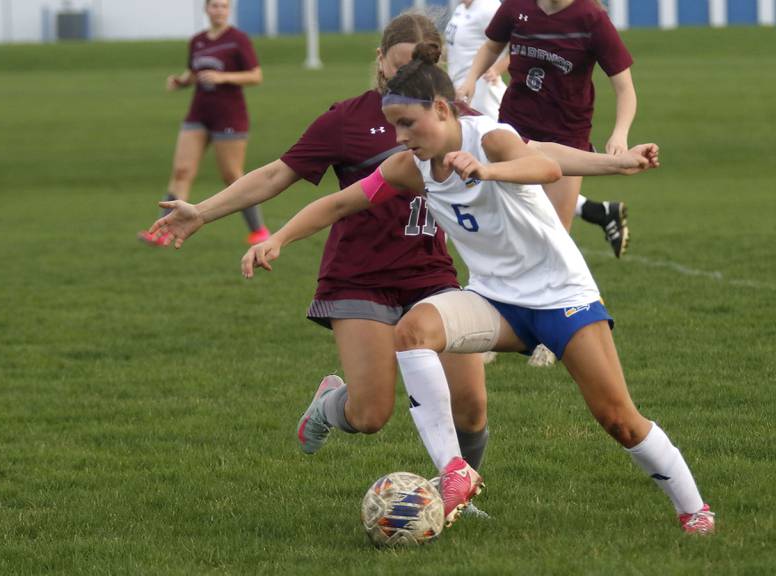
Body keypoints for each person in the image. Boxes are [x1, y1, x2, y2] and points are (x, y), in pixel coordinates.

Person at [239, 43, 715, 535]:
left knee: (619, 419)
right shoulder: (412, 165)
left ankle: (694, 509)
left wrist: (490, 171)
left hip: (561, 298)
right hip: (494, 300)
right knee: (413, 331)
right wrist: (277, 238)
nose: (401, 138)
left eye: (408, 124)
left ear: (441, 109)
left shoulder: (489, 138)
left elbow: (546, 168)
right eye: (395, 126)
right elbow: (339, 204)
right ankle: (454, 473)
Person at [145, 13, 493, 517]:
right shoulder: (348, 119)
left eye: (415, 72)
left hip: (431, 276)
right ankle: (330, 403)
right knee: (371, 413)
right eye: (395, 70)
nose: (403, 83)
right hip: (360, 279)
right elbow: (273, 175)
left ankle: (456, 499)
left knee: (472, 405)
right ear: (378, 61)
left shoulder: (460, 120)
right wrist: (202, 211)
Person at [457, 0, 637, 259]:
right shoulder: (516, 7)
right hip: (515, 130)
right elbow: (490, 46)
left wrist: (620, 133)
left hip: (567, 137)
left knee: (555, 239)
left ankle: (569, 297)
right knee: (510, 231)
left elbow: (625, 88)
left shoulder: (592, 19)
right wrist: (470, 79)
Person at [138, 0, 270, 247]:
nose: (219, 10)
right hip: (198, 114)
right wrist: (180, 81)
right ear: (206, 9)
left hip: (229, 116)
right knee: (181, 172)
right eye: (214, 6)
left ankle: (259, 231)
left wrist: (223, 77)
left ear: (228, 10)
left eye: (223, 6)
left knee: (232, 176)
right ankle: (162, 231)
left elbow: (256, 75)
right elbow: (192, 73)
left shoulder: (238, 39)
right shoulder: (197, 40)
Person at [445, 0, 508, 120]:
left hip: (483, 94)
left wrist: (497, 68)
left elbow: (521, 44)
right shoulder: (461, 8)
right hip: (460, 92)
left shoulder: (489, 8)